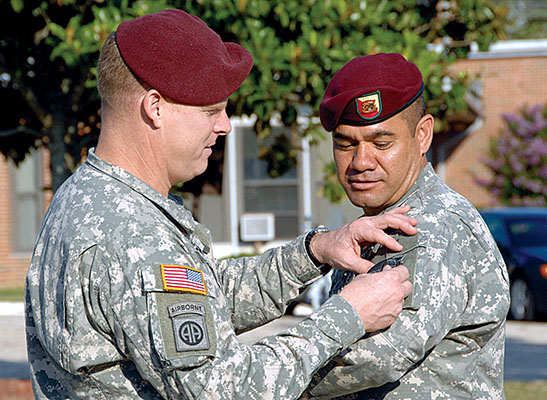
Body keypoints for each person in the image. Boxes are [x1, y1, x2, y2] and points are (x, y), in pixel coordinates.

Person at [24, 11, 418, 399]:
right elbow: (222, 389)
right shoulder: (133, 233)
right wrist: (348, 314)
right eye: (211, 110)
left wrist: (314, 252)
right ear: (155, 107)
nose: (225, 125)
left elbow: (196, 304)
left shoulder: (89, 197)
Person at [301, 53, 510, 399]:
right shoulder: (378, 222)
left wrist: (265, 377)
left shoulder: (429, 226)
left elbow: (379, 357)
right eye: (345, 144)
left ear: (423, 135)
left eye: (382, 144)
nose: (361, 162)